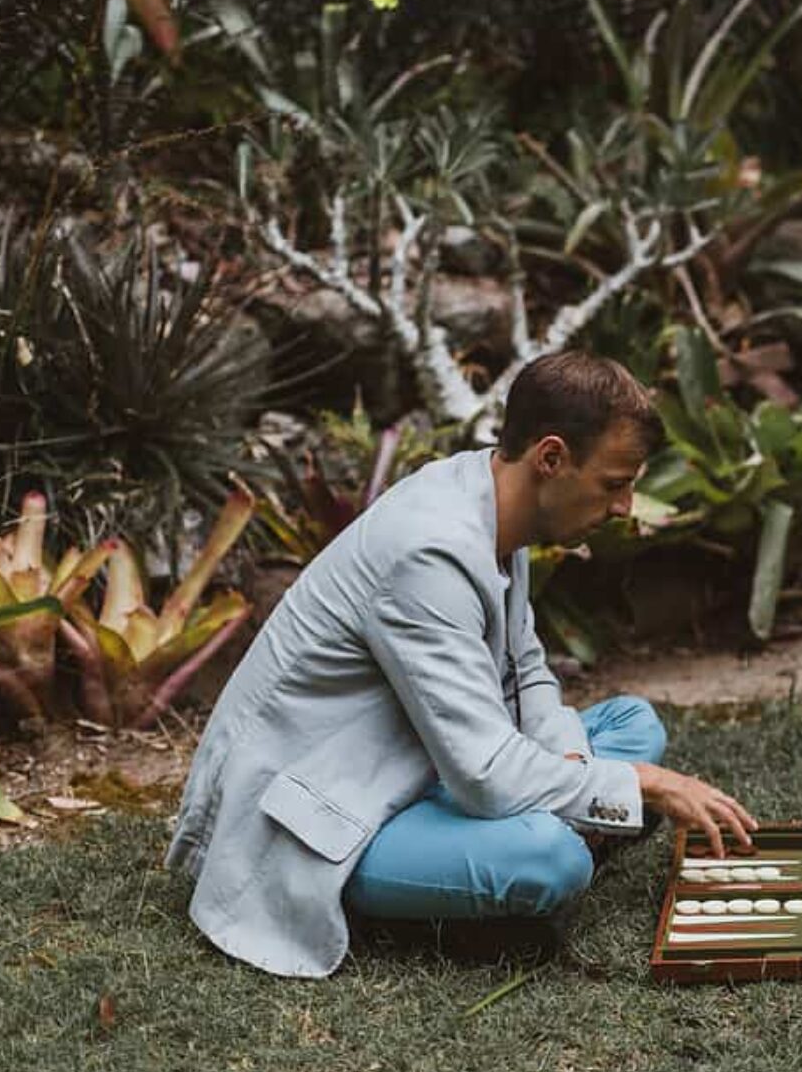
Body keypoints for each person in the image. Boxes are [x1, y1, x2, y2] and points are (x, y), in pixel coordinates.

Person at [167, 352, 757, 978]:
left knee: (633, 725)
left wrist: (581, 769)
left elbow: (526, 671)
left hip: (420, 763)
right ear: (551, 458)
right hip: (328, 807)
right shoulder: (429, 551)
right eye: (614, 483)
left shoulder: (495, 499)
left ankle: (509, 865)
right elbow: (483, 774)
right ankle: (467, 896)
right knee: (551, 857)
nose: (623, 507)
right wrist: (638, 785)